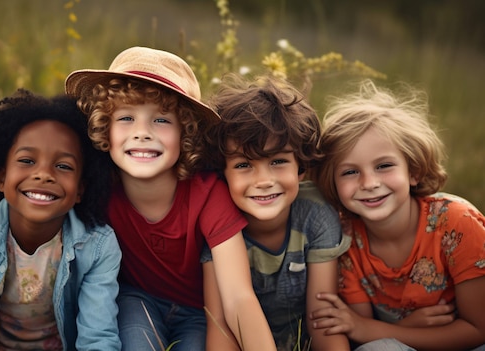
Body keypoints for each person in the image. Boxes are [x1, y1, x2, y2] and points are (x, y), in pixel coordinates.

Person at [65, 46, 275, 351]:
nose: (142, 133)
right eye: (126, 118)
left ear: (185, 132)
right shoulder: (99, 189)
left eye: (161, 120)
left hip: (198, 311)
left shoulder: (207, 194)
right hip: (136, 300)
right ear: (104, 129)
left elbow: (237, 297)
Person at [0, 90, 121, 351]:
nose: (44, 174)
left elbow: (98, 338)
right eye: (26, 160)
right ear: (1, 178)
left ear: (81, 189)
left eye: (64, 166)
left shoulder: (98, 246)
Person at [309, 79, 485, 350]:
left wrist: (372, 329)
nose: (368, 183)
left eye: (384, 166)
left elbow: (477, 329)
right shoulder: (345, 239)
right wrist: (400, 329)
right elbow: (364, 337)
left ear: (413, 171)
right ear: (333, 183)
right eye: (350, 171)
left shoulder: (457, 223)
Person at [201, 73, 351, 351]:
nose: (263, 180)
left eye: (278, 161)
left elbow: (323, 321)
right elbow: (219, 324)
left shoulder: (315, 215)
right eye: (244, 165)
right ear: (222, 172)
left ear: (301, 165)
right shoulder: (215, 217)